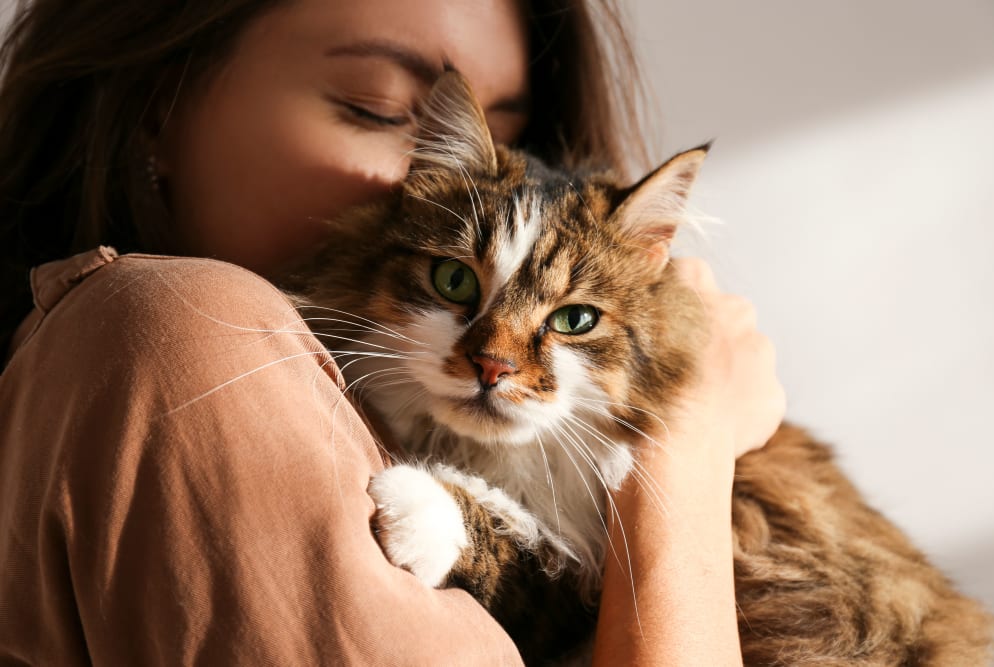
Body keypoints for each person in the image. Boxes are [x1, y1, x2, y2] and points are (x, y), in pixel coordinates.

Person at [0, 0, 785, 664]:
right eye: (382, 110)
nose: (436, 187)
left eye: (507, 136)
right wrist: (687, 447)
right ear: (154, 107)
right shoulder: (185, 333)